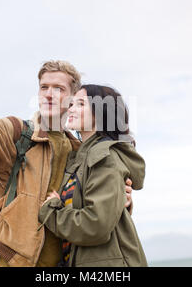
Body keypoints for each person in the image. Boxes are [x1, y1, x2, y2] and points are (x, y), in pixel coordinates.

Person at [0, 51, 134, 266]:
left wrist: (120, 200)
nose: (49, 94)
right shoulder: (16, 134)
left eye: (58, 88)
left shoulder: (81, 151)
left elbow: (92, 216)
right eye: (44, 87)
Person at [39, 84, 148, 266]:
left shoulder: (105, 157)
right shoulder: (81, 158)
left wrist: (50, 211)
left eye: (80, 104)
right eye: (72, 104)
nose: (71, 109)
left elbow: (95, 225)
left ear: (101, 113)